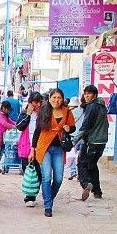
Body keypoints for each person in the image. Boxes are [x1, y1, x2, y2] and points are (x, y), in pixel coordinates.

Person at [31, 89, 75, 217]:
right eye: (54, 97)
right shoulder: (43, 111)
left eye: (59, 98)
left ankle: (49, 195)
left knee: (59, 178)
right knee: (46, 177)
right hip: (44, 148)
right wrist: (32, 149)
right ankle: (48, 206)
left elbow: (73, 127)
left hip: (59, 148)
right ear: (49, 98)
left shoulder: (67, 112)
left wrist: (69, 128)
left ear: (62, 99)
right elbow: (37, 132)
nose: (57, 100)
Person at [72, 85, 110, 201]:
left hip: (92, 142)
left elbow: (85, 126)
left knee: (81, 163)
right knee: (92, 166)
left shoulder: (92, 107)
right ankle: (97, 192)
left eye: (89, 94)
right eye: (85, 93)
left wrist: (74, 140)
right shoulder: (102, 107)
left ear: (95, 95)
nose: (86, 96)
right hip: (101, 142)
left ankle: (86, 184)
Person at [16, 92, 44, 207]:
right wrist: (28, 113)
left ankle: (33, 194)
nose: (38, 105)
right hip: (26, 147)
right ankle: (29, 196)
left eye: (40, 102)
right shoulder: (25, 113)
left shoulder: (43, 114)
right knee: (28, 171)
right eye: (35, 102)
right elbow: (19, 126)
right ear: (30, 103)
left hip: (39, 146)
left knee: (38, 172)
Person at [65, 97, 83, 180]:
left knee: (71, 155)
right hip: (82, 137)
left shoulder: (70, 113)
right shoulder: (83, 111)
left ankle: (73, 171)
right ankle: (80, 173)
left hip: (73, 137)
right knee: (80, 156)